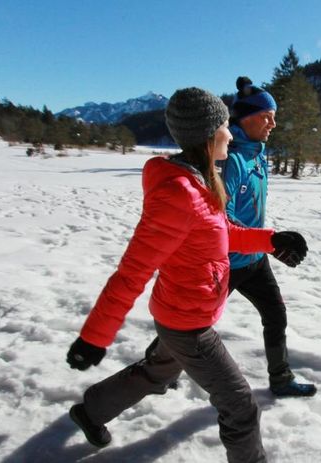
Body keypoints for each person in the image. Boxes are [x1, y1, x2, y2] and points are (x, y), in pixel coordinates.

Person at [65, 87, 308, 462]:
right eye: (225, 126)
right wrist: (94, 337)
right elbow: (133, 271)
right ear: (209, 134)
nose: (230, 134)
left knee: (157, 372)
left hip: (183, 311)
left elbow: (222, 232)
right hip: (187, 323)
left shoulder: (199, 182)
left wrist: (271, 240)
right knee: (241, 408)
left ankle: (91, 410)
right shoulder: (179, 193)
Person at [221, 76, 316, 397]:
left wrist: (267, 244)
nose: (273, 123)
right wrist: (266, 240)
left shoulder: (258, 153)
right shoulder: (231, 160)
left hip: (255, 260)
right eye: (267, 116)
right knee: (193, 324)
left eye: (274, 116)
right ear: (245, 118)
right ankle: (160, 368)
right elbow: (221, 220)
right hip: (227, 262)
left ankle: (280, 379)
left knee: (276, 315)